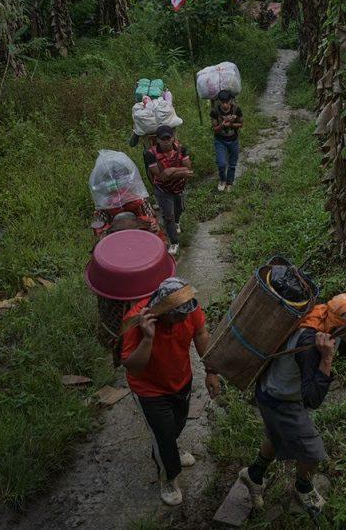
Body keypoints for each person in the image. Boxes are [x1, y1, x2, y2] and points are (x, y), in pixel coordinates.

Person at [235, 292, 346, 517]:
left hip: (272, 387)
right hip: (279, 398)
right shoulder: (311, 343)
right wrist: (327, 359)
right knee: (312, 452)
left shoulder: (327, 316)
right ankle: (303, 489)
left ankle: (254, 475)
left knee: (277, 435)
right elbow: (313, 399)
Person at [121, 277, 222, 506]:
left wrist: (211, 371)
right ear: (162, 310)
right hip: (149, 389)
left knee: (177, 424)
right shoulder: (137, 321)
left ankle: (169, 446)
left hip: (180, 380)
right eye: (177, 315)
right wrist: (148, 338)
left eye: (187, 313)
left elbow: (200, 334)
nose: (184, 318)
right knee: (163, 435)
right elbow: (134, 368)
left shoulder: (188, 307)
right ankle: (169, 477)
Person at [143, 125, 193, 256]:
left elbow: (189, 169)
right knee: (168, 216)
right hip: (163, 189)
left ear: (173, 138)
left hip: (179, 187)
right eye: (163, 139)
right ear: (157, 140)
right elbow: (161, 177)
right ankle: (174, 242)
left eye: (168, 138)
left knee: (179, 210)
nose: (166, 141)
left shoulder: (181, 148)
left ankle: (177, 222)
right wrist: (181, 171)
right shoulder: (150, 154)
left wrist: (171, 170)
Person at [210, 89, 243, 192]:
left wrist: (232, 124)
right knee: (221, 163)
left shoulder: (236, 109)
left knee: (232, 164)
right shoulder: (215, 111)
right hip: (220, 141)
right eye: (222, 102)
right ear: (219, 101)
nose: (225, 105)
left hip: (233, 140)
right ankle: (222, 180)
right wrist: (223, 124)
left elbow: (241, 124)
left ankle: (230, 182)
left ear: (231, 101)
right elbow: (214, 129)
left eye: (227, 102)